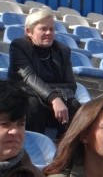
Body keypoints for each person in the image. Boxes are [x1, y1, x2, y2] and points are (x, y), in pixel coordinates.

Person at [9, 9, 81, 139]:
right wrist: (54, 98)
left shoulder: (63, 51)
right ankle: (33, 148)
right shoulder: (19, 46)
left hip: (52, 103)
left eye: (51, 29)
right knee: (33, 103)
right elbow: (28, 78)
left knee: (75, 106)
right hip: (25, 99)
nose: (48, 33)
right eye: (43, 29)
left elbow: (71, 85)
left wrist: (55, 98)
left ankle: (65, 149)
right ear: (28, 32)